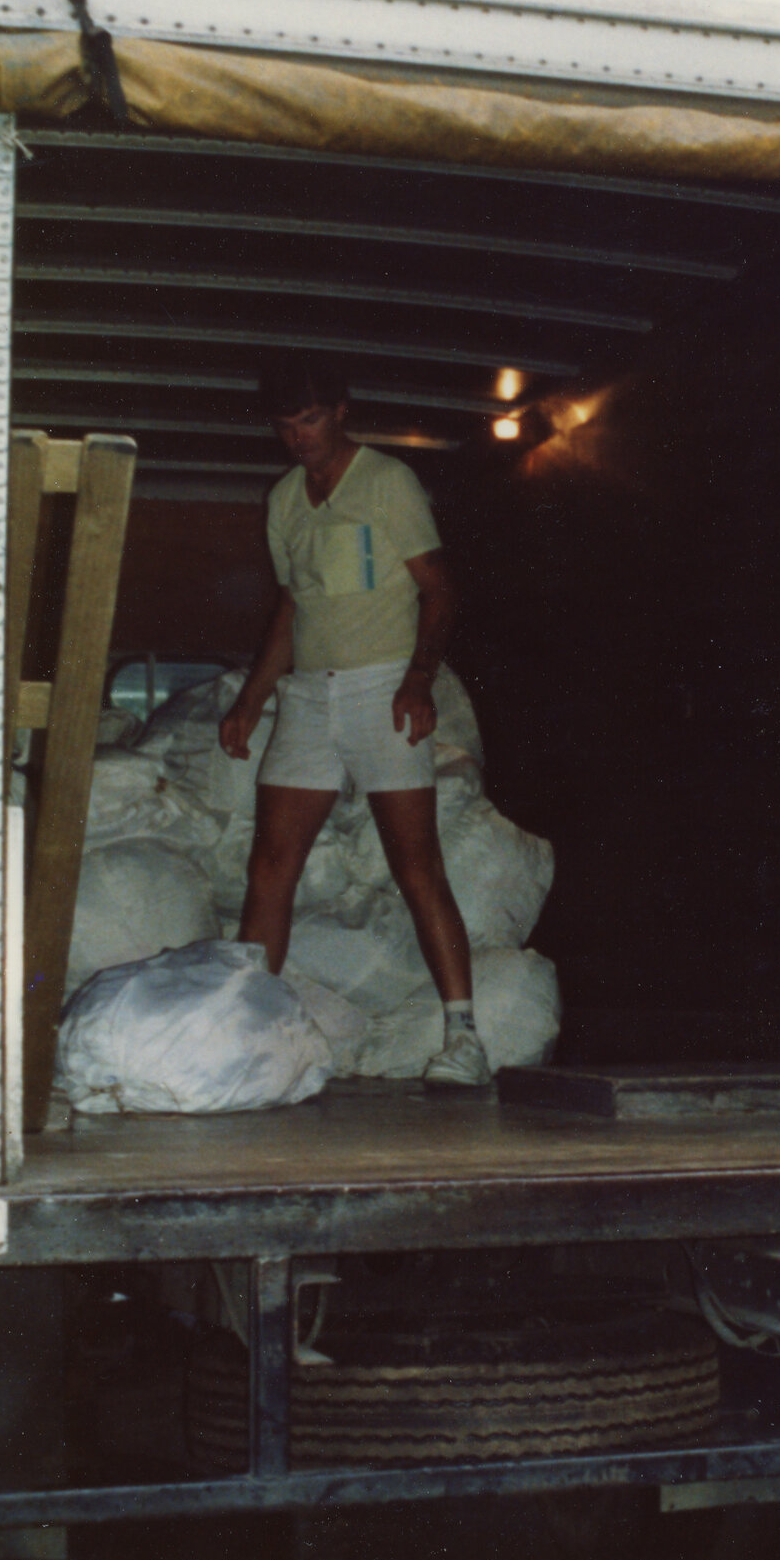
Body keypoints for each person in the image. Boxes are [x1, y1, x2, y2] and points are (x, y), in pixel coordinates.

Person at [218, 356, 490, 1087]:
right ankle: (247, 1035)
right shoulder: (283, 500)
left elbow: (440, 591)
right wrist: (252, 697)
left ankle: (464, 1040)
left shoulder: (388, 483)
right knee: (269, 866)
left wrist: (420, 677)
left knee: (416, 866)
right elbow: (291, 607)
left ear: (341, 411)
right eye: (283, 425)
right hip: (308, 696)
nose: (296, 436)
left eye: (307, 419)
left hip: (383, 691)